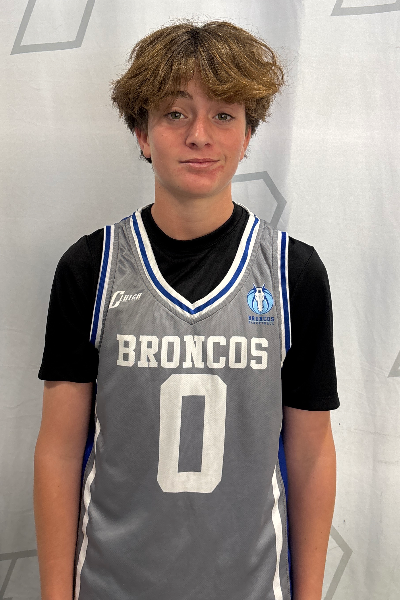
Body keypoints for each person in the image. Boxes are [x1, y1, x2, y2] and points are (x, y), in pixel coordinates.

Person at [34, 20, 339, 600]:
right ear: (142, 132)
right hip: (112, 584)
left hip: (251, 586)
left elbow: (311, 451)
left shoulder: (292, 272)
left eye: (223, 114)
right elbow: (59, 450)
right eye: (175, 113)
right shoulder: (91, 267)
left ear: (248, 135)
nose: (200, 135)